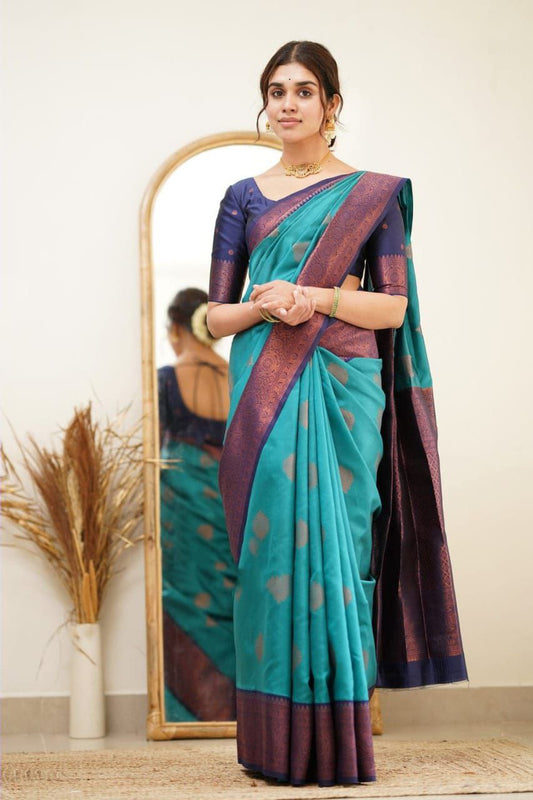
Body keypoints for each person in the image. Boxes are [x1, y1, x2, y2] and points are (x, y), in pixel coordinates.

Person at [207, 41, 467, 786]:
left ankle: (336, 745)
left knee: (341, 553)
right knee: (269, 558)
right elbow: (215, 317)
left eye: (304, 91)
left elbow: (392, 307)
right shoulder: (242, 198)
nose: (287, 104)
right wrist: (266, 304)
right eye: (276, 91)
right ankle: (274, 746)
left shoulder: (371, 196)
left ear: (331, 105)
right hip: (264, 390)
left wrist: (313, 296)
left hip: (343, 385)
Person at [158, 287, 236, 722]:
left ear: (175, 329)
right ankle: (240, 711)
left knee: (186, 602)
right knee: (232, 604)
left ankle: (190, 716)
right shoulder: (241, 378)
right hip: (233, 511)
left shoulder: (166, 381)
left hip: (184, 518)